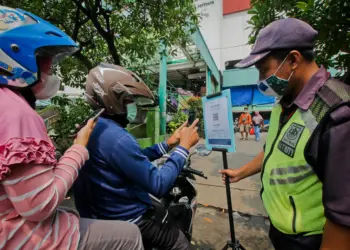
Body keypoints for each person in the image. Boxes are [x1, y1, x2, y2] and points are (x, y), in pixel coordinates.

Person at [0, 6, 143, 250]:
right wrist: (78, 148)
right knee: (130, 235)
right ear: (17, 56)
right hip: (28, 239)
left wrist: (166, 145)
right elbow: (39, 205)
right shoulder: (16, 111)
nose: (51, 71)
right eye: (46, 61)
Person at [220, 18, 350, 250]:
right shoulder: (284, 103)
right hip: (281, 233)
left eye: (263, 70)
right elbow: (273, 150)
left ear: (292, 60)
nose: (261, 81)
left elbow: (342, 219)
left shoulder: (337, 115)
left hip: (311, 241)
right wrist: (241, 172)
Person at [73, 63, 200, 250]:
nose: (131, 106)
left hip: (97, 216)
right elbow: (158, 184)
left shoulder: (94, 127)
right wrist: (183, 149)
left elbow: (133, 158)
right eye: (127, 100)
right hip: (128, 219)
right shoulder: (117, 137)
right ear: (112, 99)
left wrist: (169, 144)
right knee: (181, 243)